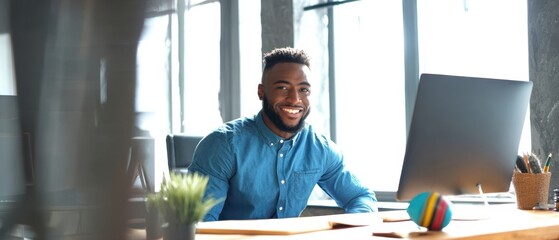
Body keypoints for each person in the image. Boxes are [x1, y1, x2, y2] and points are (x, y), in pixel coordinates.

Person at [187, 47, 377, 221]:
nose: (295, 99)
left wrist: (351, 229)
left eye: (303, 89)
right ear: (261, 92)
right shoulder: (222, 145)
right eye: (282, 88)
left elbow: (361, 197)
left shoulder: (320, 149)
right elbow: (199, 224)